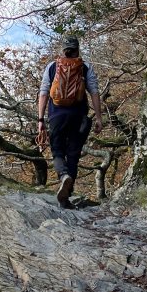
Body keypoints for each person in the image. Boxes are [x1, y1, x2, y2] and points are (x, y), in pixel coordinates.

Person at [37, 37, 103, 209]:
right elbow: (94, 92)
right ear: (77, 49)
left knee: (58, 151)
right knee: (73, 154)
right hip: (79, 117)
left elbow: (44, 93)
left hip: (56, 117)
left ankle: (63, 175)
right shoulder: (85, 67)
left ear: (63, 50)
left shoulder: (52, 67)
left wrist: (40, 120)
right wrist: (98, 117)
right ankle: (66, 198)